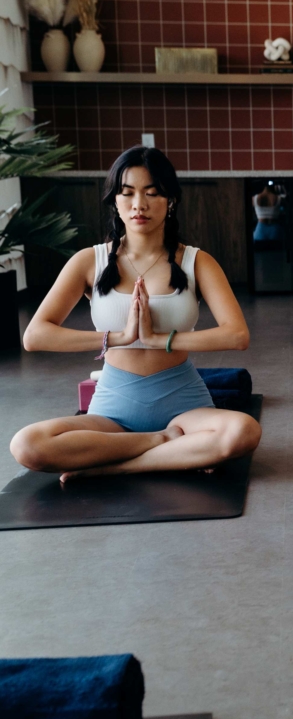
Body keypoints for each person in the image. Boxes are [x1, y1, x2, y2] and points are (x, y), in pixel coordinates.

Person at [10, 146, 261, 481]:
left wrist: (160, 339)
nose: (138, 205)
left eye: (152, 193)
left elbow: (237, 335)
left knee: (243, 431)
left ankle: (112, 466)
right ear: (114, 200)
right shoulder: (90, 261)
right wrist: (119, 338)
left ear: (170, 200)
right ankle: (161, 444)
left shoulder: (196, 262)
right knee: (27, 445)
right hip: (113, 410)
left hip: (184, 406)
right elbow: (35, 336)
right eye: (127, 193)